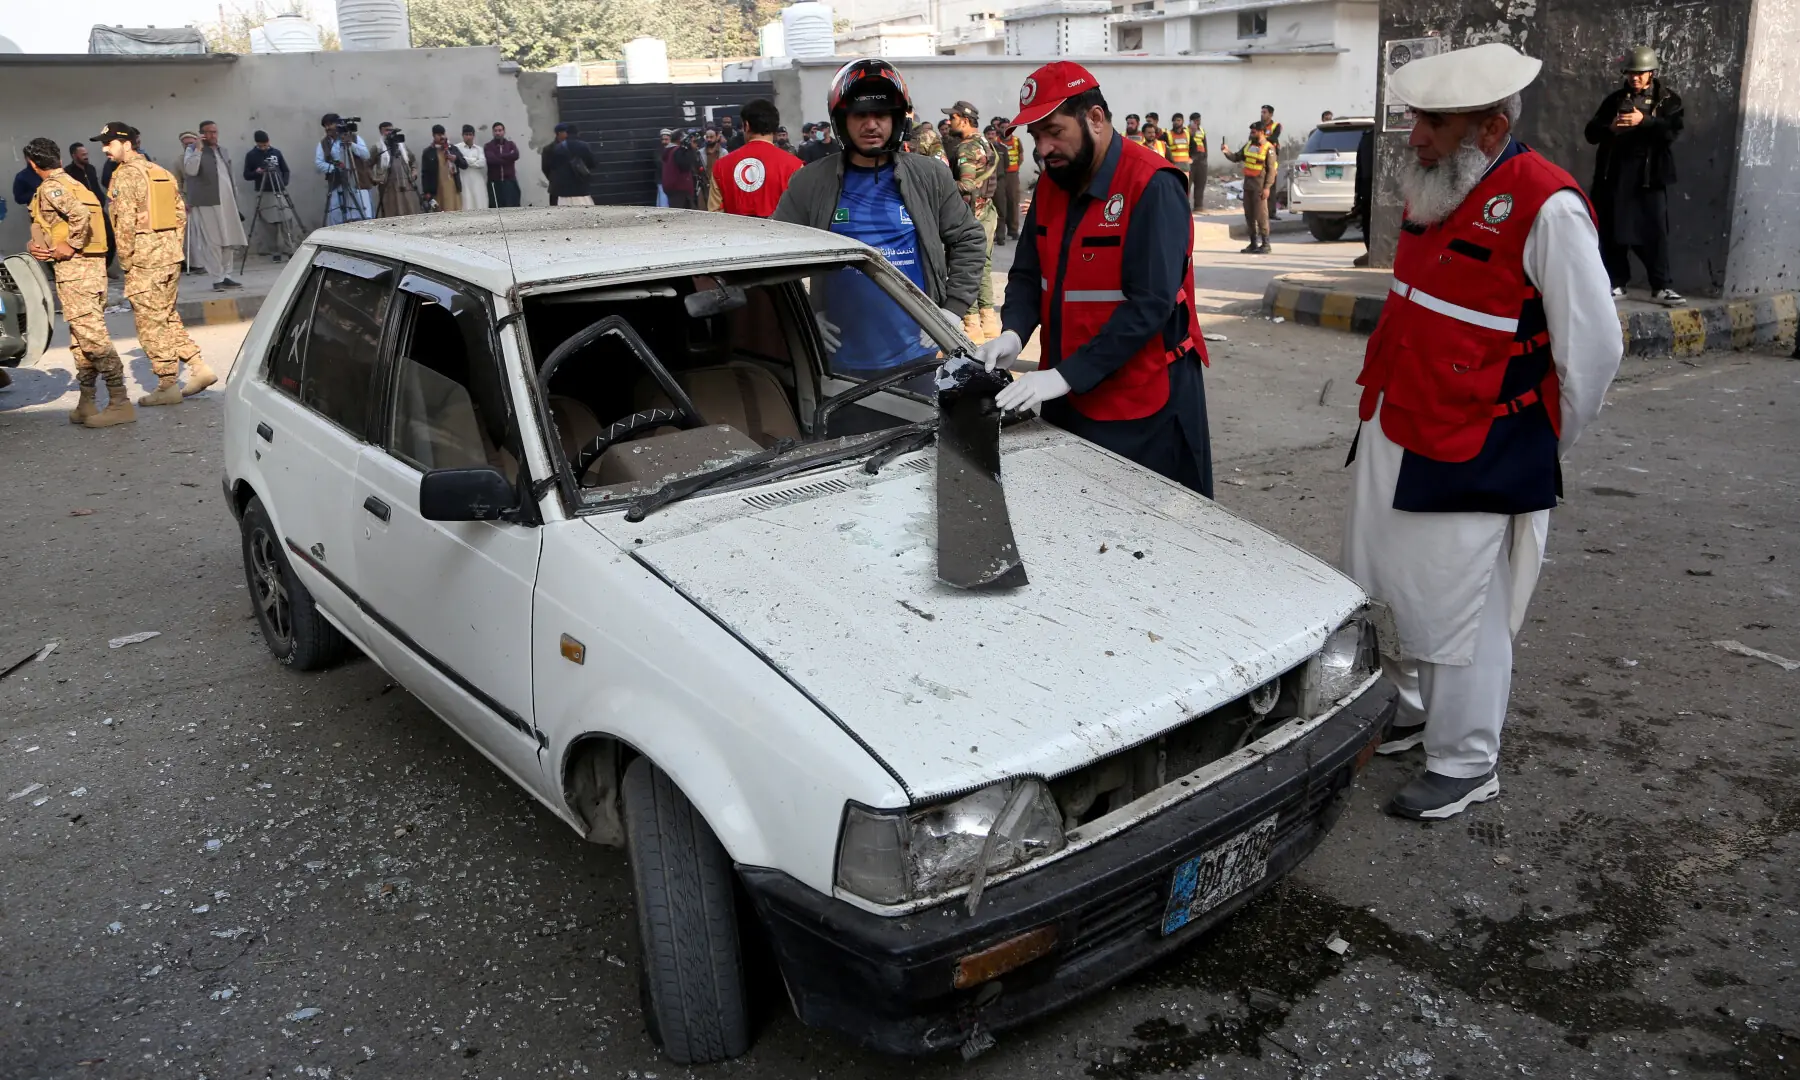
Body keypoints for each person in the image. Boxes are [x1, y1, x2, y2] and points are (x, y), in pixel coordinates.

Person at [1343, 43, 1622, 820]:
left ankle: (1466, 760)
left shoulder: (1547, 203)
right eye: (1414, 120)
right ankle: (1406, 708)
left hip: (1477, 444)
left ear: (1492, 127)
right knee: (1384, 584)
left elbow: (1593, 352)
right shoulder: (1437, 185)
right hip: (1396, 423)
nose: (1416, 137)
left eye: (1434, 122)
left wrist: (1539, 441)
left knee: (1457, 608)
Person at [977, 62, 1213, 496]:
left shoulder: (1151, 185)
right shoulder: (1052, 185)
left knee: (1144, 535)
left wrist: (1064, 375)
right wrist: (1012, 332)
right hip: (1066, 395)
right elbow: (1029, 274)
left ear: (1096, 119)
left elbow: (1150, 305)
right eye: (1036, 138)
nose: (1044, 149)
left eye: (1054, 132)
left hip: (1140, 403)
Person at [773, 58, 987, 383]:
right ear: (842, 120)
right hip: (839, 364)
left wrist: (951, 311)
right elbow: (772, 260)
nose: (871, 125)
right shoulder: (810, 182)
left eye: (881, 114)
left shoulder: (930, 176)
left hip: (919, 357)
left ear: (897, 118)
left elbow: (969, 239)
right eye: (860, 115)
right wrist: (803, 317)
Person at [97, 121, 212, 404]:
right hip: (169, 256)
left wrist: (126, 262)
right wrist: (171, 246)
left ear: (126, 143)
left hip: (144, 260)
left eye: (109, 143)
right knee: (166, 315)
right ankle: (198, 367)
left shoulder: (125, 175)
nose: (104, 149)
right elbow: (180, 214)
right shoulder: (159, 171)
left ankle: (167, 384)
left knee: (150, 323)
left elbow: (123, 225)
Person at [23, 137, 134, 428]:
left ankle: (120, 401)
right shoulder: (76, 183)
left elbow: (80, 216)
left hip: (77, 272)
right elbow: (57, 225)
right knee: (81, 340)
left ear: (33, 164)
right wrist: (42, 245)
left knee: (94, 339)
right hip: (90, 270)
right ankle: (87, 401)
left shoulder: (52, 187)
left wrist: (70, 245)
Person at [1585, 45, 1685, 305]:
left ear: (1651, 73)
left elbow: (1671, 133)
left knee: (1654, 232)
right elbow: (1591, 133)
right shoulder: (1615, 100)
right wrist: (1611, 128)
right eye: (1630, 73)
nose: (1635, 78)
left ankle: (1661, 286)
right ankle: (1616, 282)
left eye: (1640, 73)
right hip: (1615, 176)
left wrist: (1645, 121)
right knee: (1613, 230)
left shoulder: (1668, 100)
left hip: (1650, 178)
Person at [943, 101, 1002, 343]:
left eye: (953, 118)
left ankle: (971, 327)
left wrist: (942, 185)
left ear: (964, 120)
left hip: (971, 215)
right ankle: (989, 324)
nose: (949, 122)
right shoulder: (985, 143)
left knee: (964, 267)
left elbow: (966, 185)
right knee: (984, 267)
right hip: (988, 211)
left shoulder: (966, 148)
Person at [181, 121, 247, 291]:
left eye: (215, 132)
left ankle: (227, 276)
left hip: (227, 202)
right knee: (213, 241)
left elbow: (229, 175)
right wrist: (198, 148)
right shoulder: (192, 150)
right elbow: (191, 170)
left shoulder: (222, 150)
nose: (213, 136)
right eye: (208, 132)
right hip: (207, 202)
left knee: (229, 239)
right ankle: (216, 277)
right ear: (201, 134)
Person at [707, 98, 801, 217]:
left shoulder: (721, 166)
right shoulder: (795, 166)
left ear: (746, 125)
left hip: (736, 233)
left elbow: (715, 216)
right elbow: (802, 213)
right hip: (782, 234)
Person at [242, 130, 295, 262]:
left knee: (286, 221)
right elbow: (246, 175)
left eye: (266, 144)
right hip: (264, 192)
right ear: (257, 144)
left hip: (279, 190)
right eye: (262, 145)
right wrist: (257, 172)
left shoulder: (276, 153)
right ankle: (274, 252)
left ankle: (290, 250)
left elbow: (286, 170)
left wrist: (283, 183)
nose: (265, 147)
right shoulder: (251, 155)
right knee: (269, 225)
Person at [1221, 123, 1273, 253]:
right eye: (1251, 132)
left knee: (1261, 216)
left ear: (1261, 132)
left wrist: (1267, 187)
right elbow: (1237, 157)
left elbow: (1272, 170)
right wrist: (1227, 152)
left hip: (1259, 186)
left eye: (1254, 132)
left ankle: (1266, 244)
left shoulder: (1268, 148)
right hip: (1248, 185)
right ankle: (1253, 243)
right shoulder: (1249, 145)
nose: (1251, 134)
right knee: (1249, 215)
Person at [66, 141, 118, 270]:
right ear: (74, 155)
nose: (86, 156)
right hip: (83, 211)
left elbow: (95, 186)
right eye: (82, 154)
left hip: (98, 209)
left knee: (110, 237)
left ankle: (105, 267)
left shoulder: (91, 169)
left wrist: (101, 199)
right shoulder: (68, 172)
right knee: (88, 240)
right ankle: (92, 269)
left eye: (86, 154)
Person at [315, 114, 374, 224]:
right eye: (325, 126)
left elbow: (366, 155)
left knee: (361, 213)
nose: (328, 128)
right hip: (337, 181)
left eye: (330, 124)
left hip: (357, 181)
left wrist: (351, 144)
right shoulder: (324, 143)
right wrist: (335, 168)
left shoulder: (354, 138)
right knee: (337, 214)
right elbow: (319, 163)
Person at [371, 123, 422, 218]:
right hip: (388, 188)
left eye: (391, 130)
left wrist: (414, 172)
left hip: (405, 186)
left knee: (409, 213)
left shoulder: (402, 147)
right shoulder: (377, 148)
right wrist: (375, 179)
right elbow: (367, 165)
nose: (389, 132)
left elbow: (413, 160)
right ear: (381, 132)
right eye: (386, 130)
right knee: (391, 215)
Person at [543, 122, 597, 206]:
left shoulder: (557, 148)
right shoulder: (549, 149)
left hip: (567, 190)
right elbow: (546, 168)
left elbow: (550, 166)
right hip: (568, 188)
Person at [420, 124, 466, 212]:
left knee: (456, 212)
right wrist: (427, 192)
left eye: (443, 134)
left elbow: (464, 164)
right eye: (439, 135)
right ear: (434, 136)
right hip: (438, 189)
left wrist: (455, 158)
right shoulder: (428, 152)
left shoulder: (452, 148)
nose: (442, 137)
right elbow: (425, 174)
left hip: (453, 188)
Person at [1351, 124, 1374, 267]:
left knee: (1367, 220)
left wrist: (1358, 194)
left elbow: (1359, 169)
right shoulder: (1370, 136)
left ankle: (1371, 251)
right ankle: (1372, 253)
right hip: (1371, 185)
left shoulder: (1367, 136)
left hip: (1367, 186)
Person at [485, 121, 522, 207]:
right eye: (495, 131)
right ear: (493, 132)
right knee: (496, 209)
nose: (498, 133)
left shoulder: (511, 144)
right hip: (494, 183)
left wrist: (499, 156)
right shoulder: (488, 146)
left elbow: (516, 155)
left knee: (513, 207)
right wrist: (508, 157)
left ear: (504, 131)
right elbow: (491, 160)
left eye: (500, 130)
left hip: (509, 181)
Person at [996, 121, 1023, 242]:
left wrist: (1016, 168)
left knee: (1013, 201)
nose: (1005, 129)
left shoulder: (1016, 140)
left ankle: (1013, 230)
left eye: (1007, 127)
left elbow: (1020, 155)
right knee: (1001, 203)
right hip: (1001, 175)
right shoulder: (997, 142)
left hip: (1012, 175)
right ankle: (1000, 232)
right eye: (1002, 127)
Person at [658, 130, 697, 209]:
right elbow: (686, 166)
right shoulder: (677, 151)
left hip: (672, 188)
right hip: (680, 189)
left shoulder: (668, 150)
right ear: (680, 139)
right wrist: (692, 150)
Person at [454, 125, 490, 211]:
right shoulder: (457, 148)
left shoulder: (479, 149)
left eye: (470, 134)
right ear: (462, 135)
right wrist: (474, 160)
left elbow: (482, 163)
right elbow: (459, 162)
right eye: (466, 134)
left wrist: (465, 160)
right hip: (464, 179)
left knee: (480, 203)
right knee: (467, 203)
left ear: (473, 135)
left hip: (477, 180)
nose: (468, 137)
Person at [695, 125, 728, 210]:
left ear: (717, 137)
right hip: (704, 188)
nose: (709, 139)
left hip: (718, 189)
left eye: (711, 137)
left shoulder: (723, 153)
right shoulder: (700, 153)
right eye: (707, 137)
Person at [1260, 105, 1284, 218]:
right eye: (1262, 112)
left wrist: (1262, 139)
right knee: (1260, 186)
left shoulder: (1276, 126)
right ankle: (1261, 212)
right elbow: (1252, 138)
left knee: (1271, 185)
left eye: (1264, 112)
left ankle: (1272, 212)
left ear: (1270, 114)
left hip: (1271, 158)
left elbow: (1274, 138)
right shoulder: (1258, 125)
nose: (1262, 114)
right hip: (1259, 158)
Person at [1188, 111, 1208, 211]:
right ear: (1190, 121)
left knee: (1200, 184)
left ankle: (1198, 206)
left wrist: (1205, 158)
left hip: (1201, 161)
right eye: (1195, 120)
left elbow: (1204, 144)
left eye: (1199, 120)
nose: (1197, 122)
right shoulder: (1186, 131)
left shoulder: (1202, 130)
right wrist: (1192, 133)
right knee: (1187, 184)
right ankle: (1185, 206)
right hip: (1191, 160)